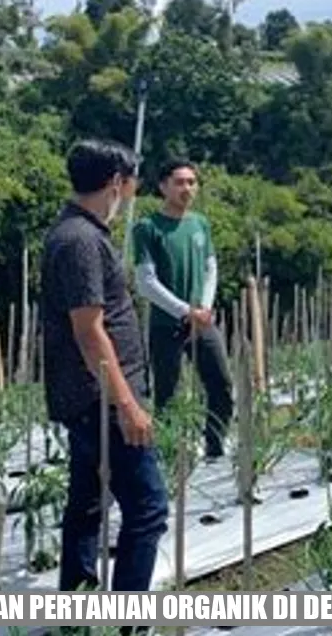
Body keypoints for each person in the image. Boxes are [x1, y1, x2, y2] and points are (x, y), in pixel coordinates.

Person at [39, 138, 168, 599]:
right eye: (130, 186)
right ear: (115, 183)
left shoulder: (78, 234)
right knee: (149, 509)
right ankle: (127, 625)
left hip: (94, 396)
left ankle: (77, 610)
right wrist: (127, 403)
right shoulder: (79, 241)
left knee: (88, 505)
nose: (129, 198)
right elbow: (89, 332)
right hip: (102, 399)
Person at [132, 158, 233, 462]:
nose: (187, 188)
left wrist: (203, 307)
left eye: (191, 182)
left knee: (221, 383)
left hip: (202, 321)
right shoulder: (147, 229)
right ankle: (170, 454)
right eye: (179, 182)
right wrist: (184, 310)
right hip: (167, 324)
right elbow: (145, 282)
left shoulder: (200, 223)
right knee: (168, 394)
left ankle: (215, 444)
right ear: (163, 187)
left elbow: (210, 267)